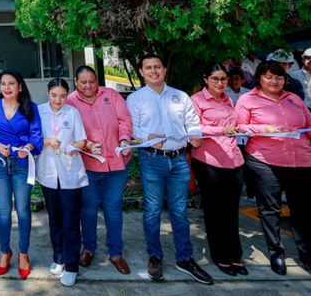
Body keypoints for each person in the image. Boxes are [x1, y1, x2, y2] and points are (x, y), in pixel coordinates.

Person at [126, 54, 213, 285]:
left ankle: (185, 258)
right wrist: (147, 137)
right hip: (152, 159)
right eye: (148, 68)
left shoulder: (180, 96)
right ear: (142, 72)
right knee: (153, 211)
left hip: (179, 161)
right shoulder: (135, 99)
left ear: (164, 70)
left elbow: (192, 121)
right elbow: (132, 128)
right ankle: (155, 257)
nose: (153, 71)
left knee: (179, 212)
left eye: (157, 67)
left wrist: (195, 135)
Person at [236, 60, 311, 275]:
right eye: (269, 77)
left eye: (278, 77)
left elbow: (308, 126)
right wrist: (263, 128)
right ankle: (276, 254)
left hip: (302, 160)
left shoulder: (294, 99)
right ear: (259, 78)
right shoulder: (247, 99)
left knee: (303, 210)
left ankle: (306, 255)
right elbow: (238, 126)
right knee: (271, 209)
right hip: (265, 161)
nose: (274, 81)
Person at [66, 66, 133, 275]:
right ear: (76, 82)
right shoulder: (69, 101)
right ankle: (89, 248)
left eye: (92, 81)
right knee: (89, 208)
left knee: (113, 207)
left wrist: (124, 138)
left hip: (117, 163)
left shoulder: (111, 95)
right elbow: (67, 130)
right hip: (88, 165)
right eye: (83, 82)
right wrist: (85, 144)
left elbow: (124, 120)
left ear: (97, 81)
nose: (88, 86)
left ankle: (116, 252)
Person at [0, 68, 43, 279]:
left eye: (11, 84)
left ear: (20, 86)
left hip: (22, 164)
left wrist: (27, 148)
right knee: (4, 210)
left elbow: (36, 136)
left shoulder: (30, 107)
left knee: (23, 210)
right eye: (3, 84)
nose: (6, 88)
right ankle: (5, 252)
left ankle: (23, 253)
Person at [190, 64, 247, 276]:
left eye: (223, 79)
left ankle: (235, 255)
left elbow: (238, 125)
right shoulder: (196, 100)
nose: (220, 83)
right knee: (215, 211)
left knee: (231, 210)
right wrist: (220, 130)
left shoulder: (228, 99)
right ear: (206, 79)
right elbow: (192, 127)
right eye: (215, 79)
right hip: (209, 161)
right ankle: (221, 256)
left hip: (234, 160)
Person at [37, 78, 88, 287]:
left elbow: (82, 141)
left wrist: (73, 146)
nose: (58, 100)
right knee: (54, 218)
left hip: (70, 173)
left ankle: (72, 265)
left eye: (63, 96)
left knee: (70, 221)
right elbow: (31, 140)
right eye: (54, 95)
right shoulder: (39, 111)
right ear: (47, 93)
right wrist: (47, 142)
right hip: (48, 173)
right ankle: (58, 256)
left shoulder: (72, 112)